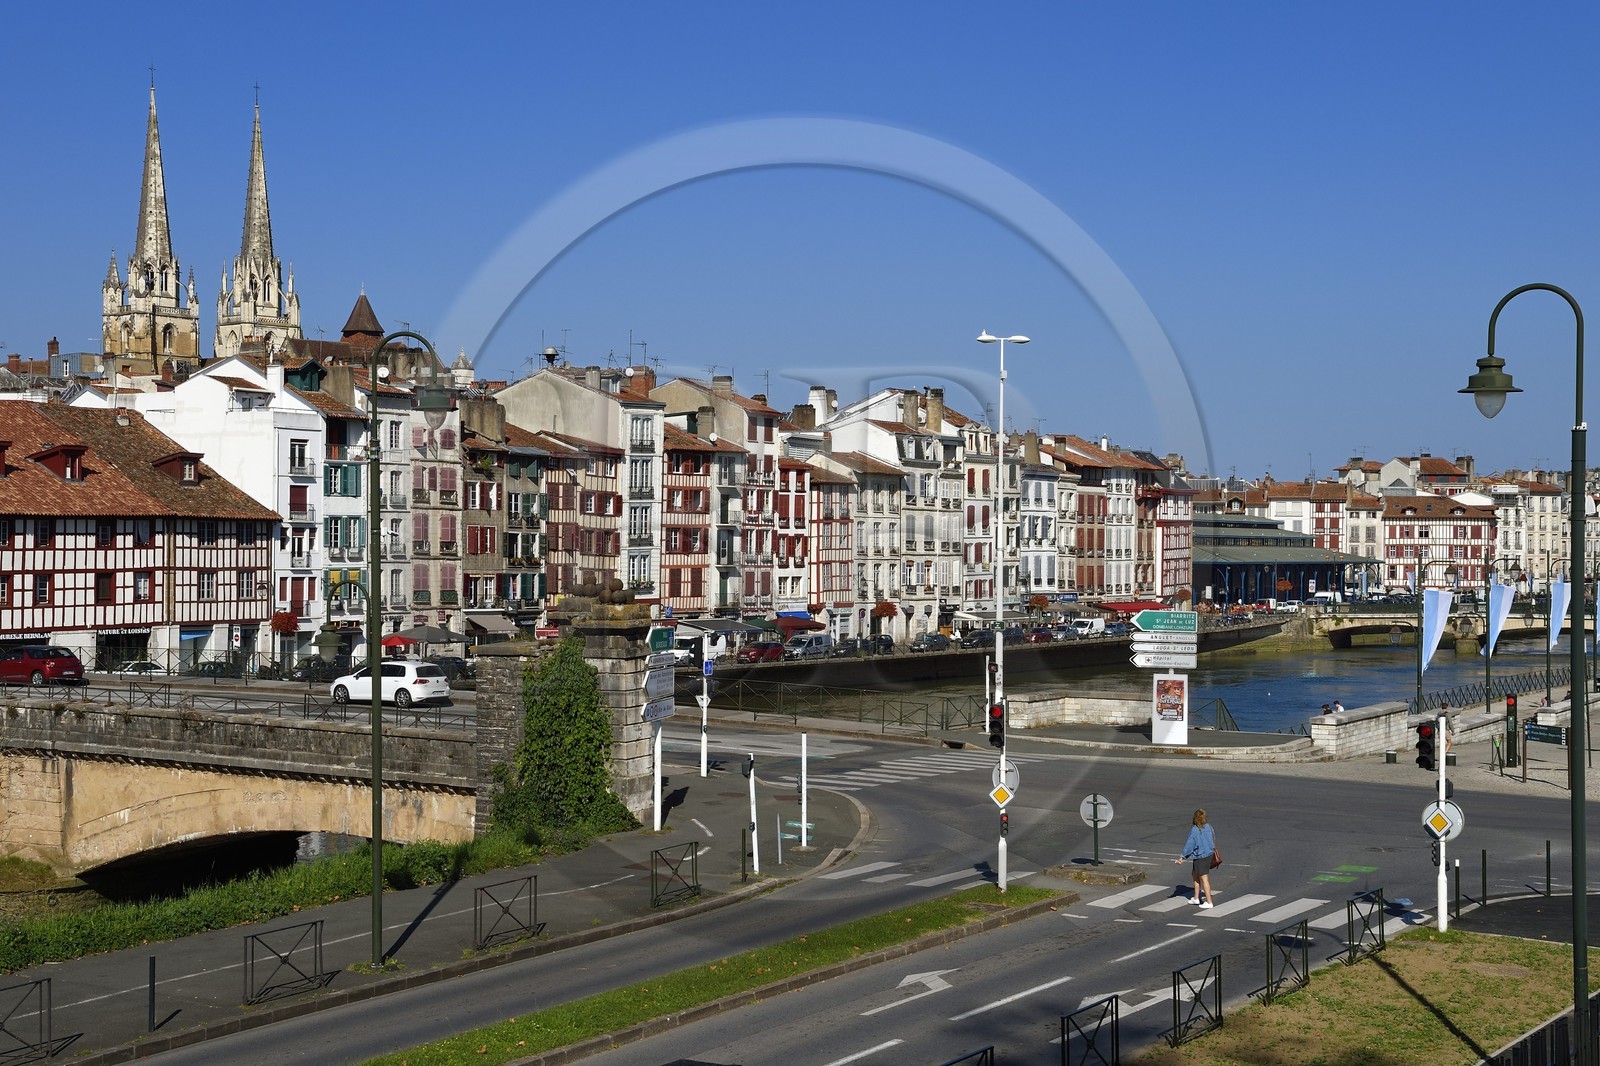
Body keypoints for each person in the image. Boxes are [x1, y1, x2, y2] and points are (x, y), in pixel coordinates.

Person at [1174, 808, 1218, 908]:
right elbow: (1213, 837)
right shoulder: (1209, 827)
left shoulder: (1195, 830)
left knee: (1204, 878)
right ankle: (1196, 898)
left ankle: (1209, 902)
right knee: (1195, 874)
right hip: (1209, 854)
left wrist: (1182, 857)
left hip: (1200, 856)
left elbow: (1189, 845)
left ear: (1195, 818)